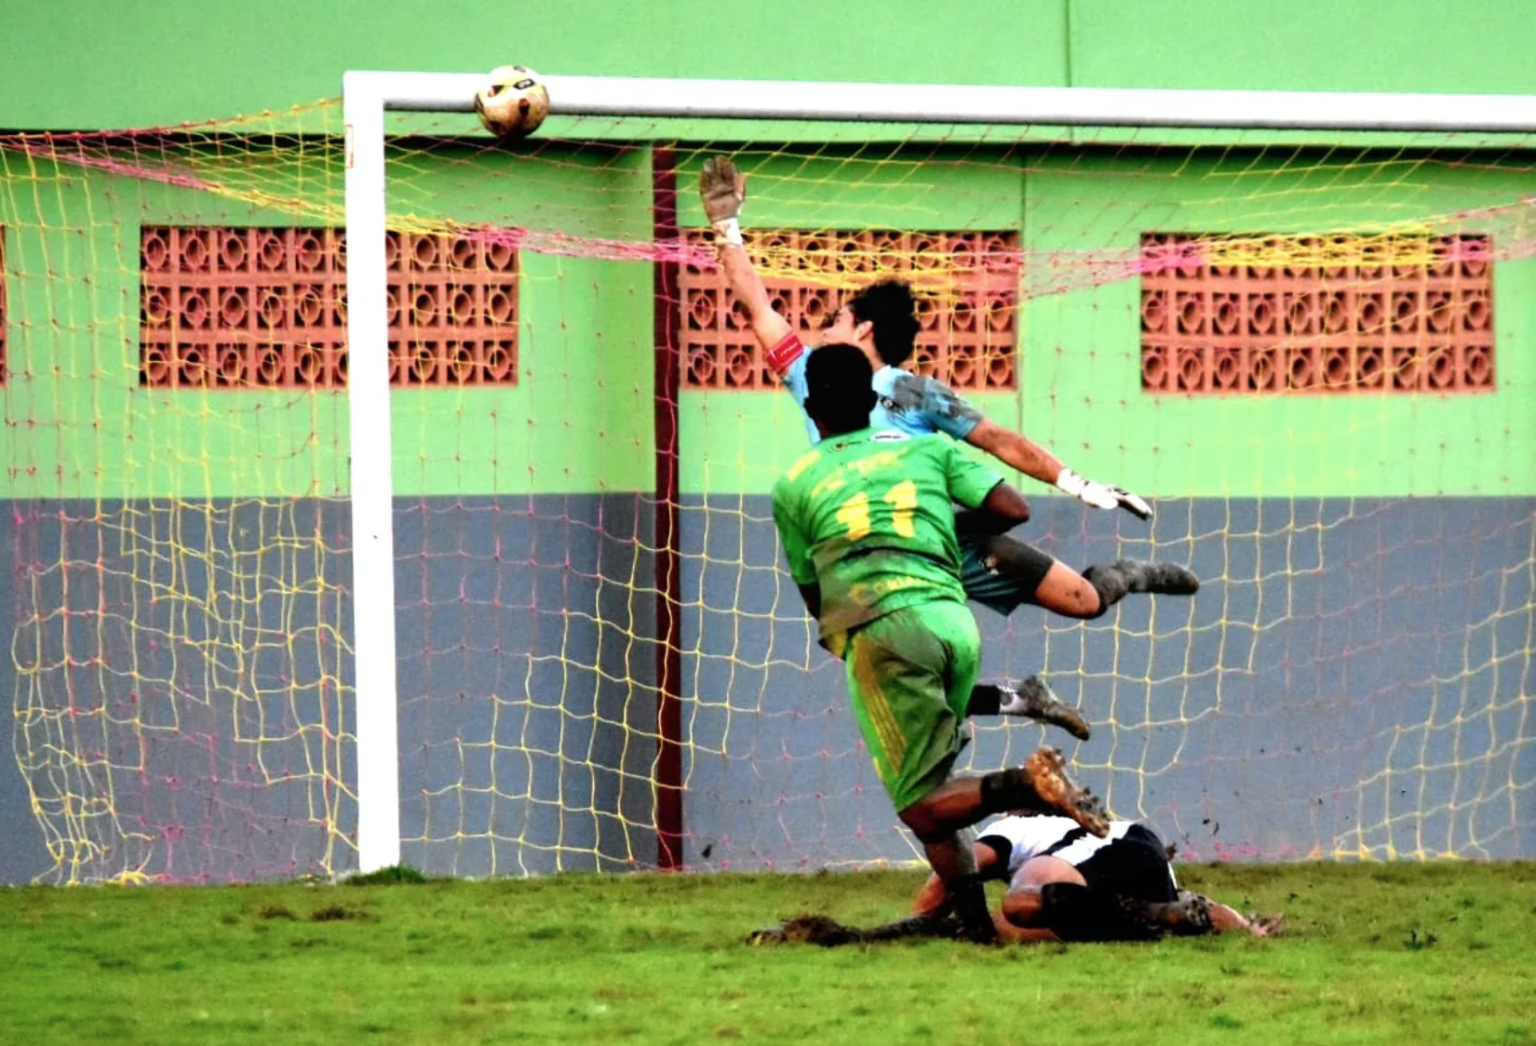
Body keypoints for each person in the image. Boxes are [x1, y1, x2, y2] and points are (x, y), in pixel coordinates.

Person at [700, 156, 1200, 637]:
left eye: (834, 320)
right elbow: (756, 304)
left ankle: (1127, 573)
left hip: (946, 540)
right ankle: (1013, 699)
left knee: (1084, 602)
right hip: (878, 557)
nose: (821, 329)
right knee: (895, 655)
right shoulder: (812, 374)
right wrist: (726, 227)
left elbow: (995, 438)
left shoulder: (915, 390)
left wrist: (1075, 482)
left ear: (864, 329)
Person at [769, 341, 1109, 944]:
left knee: (920, 806)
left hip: (883, 630)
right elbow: (1012, 506)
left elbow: (813, 593)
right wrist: (935, 530)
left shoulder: (794, 483)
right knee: (940, 796)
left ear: (813, 409)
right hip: (954, 619)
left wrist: (848, 637)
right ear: (874, 400)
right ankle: (977, 930)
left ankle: (1027, 785)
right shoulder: (924, 448)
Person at [910, 814, 1283, 942]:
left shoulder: (1013, 827)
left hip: (1114, 849)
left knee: (1019, 904)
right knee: (1094, 919)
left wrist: (918, 925)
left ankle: (1160, 916)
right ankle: (1237, 930)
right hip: (1147, 857)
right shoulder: (1075, 832)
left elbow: (955, 871)